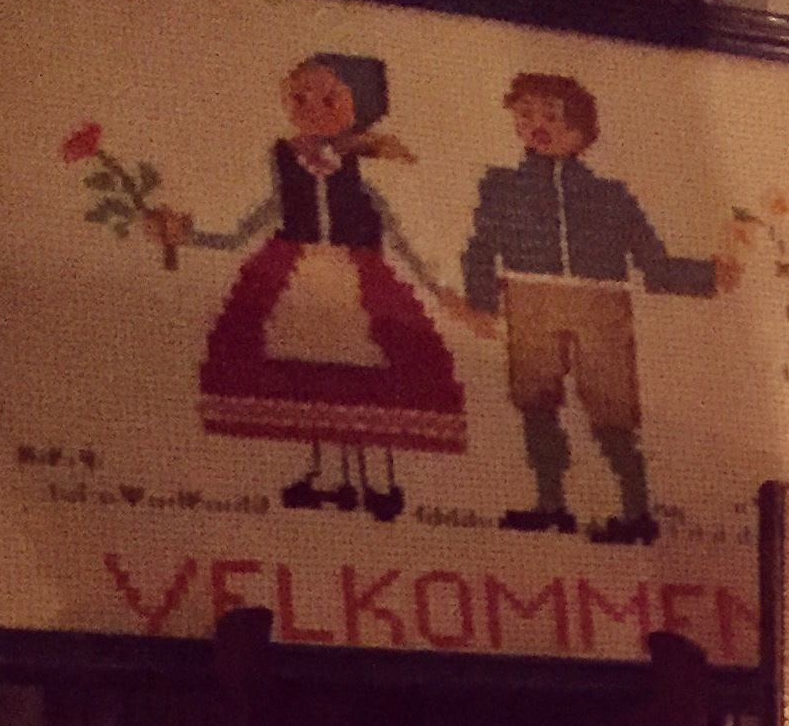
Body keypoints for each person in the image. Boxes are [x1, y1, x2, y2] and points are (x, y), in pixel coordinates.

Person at [150, 51, 466, 521]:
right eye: (299, 99)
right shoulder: (286, 162)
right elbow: (245, 229)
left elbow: (398, 237)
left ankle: (378, 479)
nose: (311, 109)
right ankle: (329, 475)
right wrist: (190, 236)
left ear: (357, 107)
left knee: (368, 374)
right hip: (299, 279)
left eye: (328, 99)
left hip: (357, 282)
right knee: (317, 375)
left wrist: (438, 291)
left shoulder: (362, 178)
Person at [459, 71, 740, 547]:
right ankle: (550, 504)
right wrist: (481, 302)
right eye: (526, 114)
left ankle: (636, 511)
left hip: (601, 304)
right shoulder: (501, 187)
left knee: (612, 406)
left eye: (553, 116)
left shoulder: (610, 196)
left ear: (581, 130)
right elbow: (481, 249)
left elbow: (653, 265)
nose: (538, 125)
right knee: (535, 402)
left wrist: (707, 276)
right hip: (529, 299)